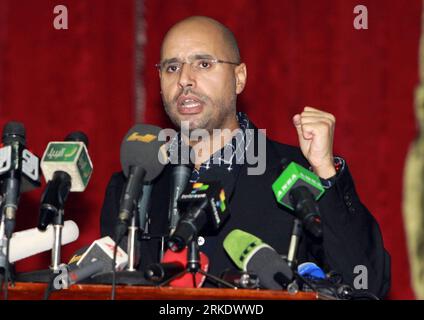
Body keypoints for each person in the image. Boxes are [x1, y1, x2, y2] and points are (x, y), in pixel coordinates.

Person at [100, 16, 390, 298]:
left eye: (203, 64)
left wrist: (325, 170)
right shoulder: (137, 183)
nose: (185, 80)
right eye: (172, 67)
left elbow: (366, 282)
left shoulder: (295, 175)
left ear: (239, 78)